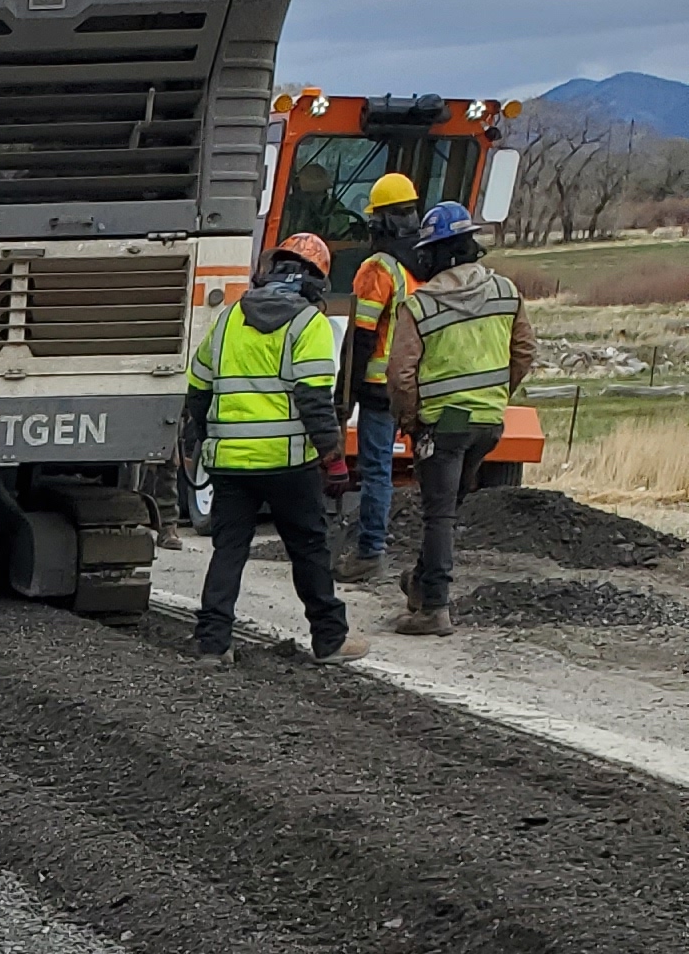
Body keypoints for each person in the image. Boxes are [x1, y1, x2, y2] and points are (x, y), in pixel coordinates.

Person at [180, 229, 367, 667]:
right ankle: (329, 640)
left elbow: (197, 389)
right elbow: (315, 400)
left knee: (229, 551)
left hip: (229, 464)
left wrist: (208, 439)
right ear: (316, 280)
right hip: (289, 465)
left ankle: (212, 643)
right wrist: (334, 460)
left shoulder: (228, 320)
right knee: (308, 549)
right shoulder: (310, 324)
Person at [387, 200, 532, 639]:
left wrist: (411, 421)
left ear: (434, 254)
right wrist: (496, 396)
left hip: (443, 424)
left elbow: (400, 374)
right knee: (449, 509)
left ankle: (435, 607)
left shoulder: (422, 305)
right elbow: (524, 353)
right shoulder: (508, 292)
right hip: (488, 422)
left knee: (438, 515)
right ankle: (420, 584)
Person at [341, 173, 419, 584]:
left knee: (376, 471)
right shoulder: (427, 265)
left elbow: (362, 335)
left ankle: (370, 552)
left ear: (379, 220)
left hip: (378, 387)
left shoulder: (378, 269)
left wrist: (347, 390)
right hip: (418, 383)